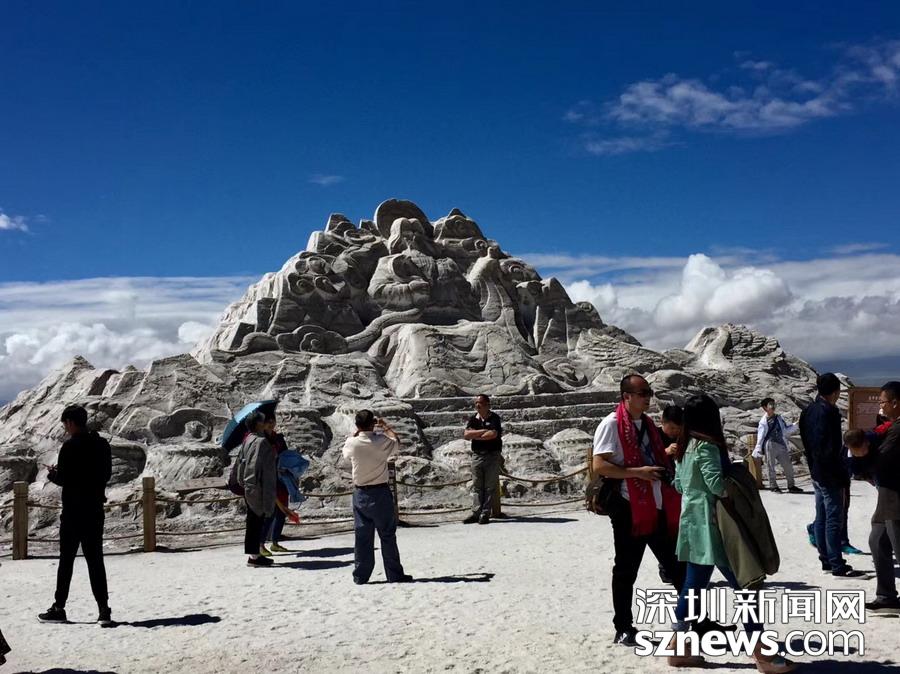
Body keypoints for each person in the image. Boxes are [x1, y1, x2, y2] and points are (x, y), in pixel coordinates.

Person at [667, 394, 796, 673]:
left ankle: (677, 644)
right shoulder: (706, 446)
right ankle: (761, 652)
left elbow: (678, 485)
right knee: (745, 584)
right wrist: (736, 482)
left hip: (692, 522)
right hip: (716, 524)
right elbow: (716, 485)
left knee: (693, 587)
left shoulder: (683, 447)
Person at [592, 374, 685, 646]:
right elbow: (599, 466)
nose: (648, 397)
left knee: (676, 567)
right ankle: (623, 627)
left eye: (649, 392)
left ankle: (697, 621)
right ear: (627, 396)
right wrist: (637, 473)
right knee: (626, 570)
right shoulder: (611, 425)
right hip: (628, 508)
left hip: (655, 505)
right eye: (642, 393)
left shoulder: (648, 424)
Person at [37, 405, 113, 625]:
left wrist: (52, 475)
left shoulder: (69, 446)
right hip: (94, 510)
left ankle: (59, 607)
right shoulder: (101, 444)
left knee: (66, 561)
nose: (65, 428)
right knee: (95, 561)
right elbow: (106, 474)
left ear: (70, 422)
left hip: (72, 512)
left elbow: (65, 479)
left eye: (65, 424)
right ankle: (103, 610)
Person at [799, 373, 866, 577]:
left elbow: (807, 442)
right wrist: (840, 471)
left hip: (816, 471)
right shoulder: (829, 412)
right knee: (833, 519)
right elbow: (830, 447)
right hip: (830, 473)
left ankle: (825, 559)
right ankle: (837, 563)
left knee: (821, 517)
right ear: (836, 392)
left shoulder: (808, 410)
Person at [847, 382, 900, 614]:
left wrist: (861, 457)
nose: (881, 406)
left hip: (896, 496)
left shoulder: (897, 430)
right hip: (887, 495)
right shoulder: (891, 426)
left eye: (883, 402)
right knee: (877, 541)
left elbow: (882, 461)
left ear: (895, 403)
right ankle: (886, 596)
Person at [342, 410, 412, 585]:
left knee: (362, 536)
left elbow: (346, 455)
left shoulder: (352, 443)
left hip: (360, 493)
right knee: (387, 534)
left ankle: (361, 575)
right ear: (373, 423)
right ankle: (394, 574)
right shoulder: (382, 440)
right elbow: (397, 441)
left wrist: (358, 432)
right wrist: (385, 426)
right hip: (380, 492)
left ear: (357, 425)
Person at [242, 410, 277, 568]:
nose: (266, 424)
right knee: (257, 521)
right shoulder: (260, 442)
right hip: (258, 488)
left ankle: (254, 555)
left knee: (253, 521)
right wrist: (254, 487)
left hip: (251, 487)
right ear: (257, 424)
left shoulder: (248, 439)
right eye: (263, 421)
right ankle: (255, 556)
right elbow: (254, 466)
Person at [462, 394, 503, 525]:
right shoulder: (473, 419)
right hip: (477, 455)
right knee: (477, 486)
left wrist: (476, 435)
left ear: (487, 405)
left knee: (490, 486)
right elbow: (466, 434)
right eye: (476, 403)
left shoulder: (495, 418)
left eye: (479, 403)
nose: (477, 406)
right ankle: (476, 513)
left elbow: (493, 434)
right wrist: (483, 431)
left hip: (492, 455)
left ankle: (485, 513)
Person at [261, 413, 294, 555]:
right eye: (268, 422)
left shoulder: (279, 438)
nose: (271, 424)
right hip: (268, 479)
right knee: (269, 513)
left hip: (281, 478)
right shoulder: (261, 440)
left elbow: (285, 455)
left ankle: (275, 542)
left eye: (272, 421)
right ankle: (261, 544)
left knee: (282, 511)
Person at [752, 398, 801, 493]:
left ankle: (791, 485)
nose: (773, 406)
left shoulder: (779, 418)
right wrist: (758, 448)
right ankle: (773, 486)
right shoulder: (763, 421)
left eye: (773, 404)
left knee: (788, 465)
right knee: (771, 466)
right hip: (770, 444)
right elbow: (761, 436)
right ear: (765, 408)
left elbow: (785, 430)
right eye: (770, 404)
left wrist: (796, 425)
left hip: (781, 443)